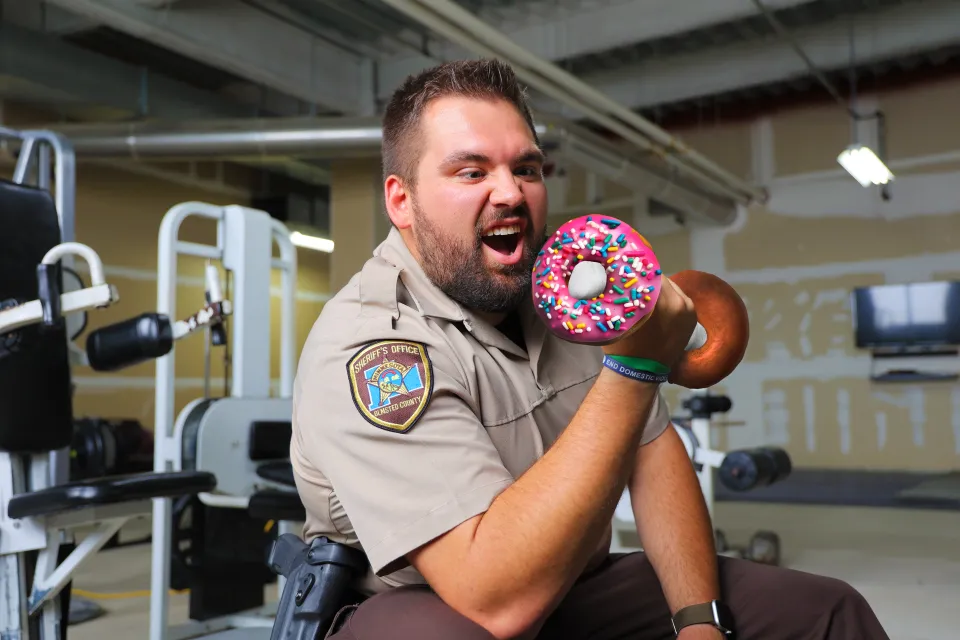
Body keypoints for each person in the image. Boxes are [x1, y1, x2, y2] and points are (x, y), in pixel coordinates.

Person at [290, 58, 889, 640]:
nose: (511, 193)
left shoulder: (568, 292)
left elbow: (653, 456)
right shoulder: (372, 348)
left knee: (826, 612)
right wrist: (635, 366)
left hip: (577, 583)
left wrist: (698, 620)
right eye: (472, 173)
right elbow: (495, 600)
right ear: (401, 201)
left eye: (526, 169)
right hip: (427, 606)